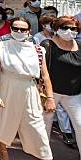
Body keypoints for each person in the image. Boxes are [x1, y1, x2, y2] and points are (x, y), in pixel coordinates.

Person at [0, 17, 55, 160]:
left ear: (29, 31)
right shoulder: (1, 46)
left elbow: (45, 76)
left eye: (23, 29)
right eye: (15, 28)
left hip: (29, 88)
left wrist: (50, 98)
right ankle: (3, 152)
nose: (19, 31)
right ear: (11, 29)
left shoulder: (39, 50)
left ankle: (45, 156)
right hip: (7, 87)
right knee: (4, 121)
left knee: (36, 124)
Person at [42, 15, 81, 157]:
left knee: (80, 125)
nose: (70, 31)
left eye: (74, 28)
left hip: (74, 94)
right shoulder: (47, 45)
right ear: (57, 29)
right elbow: (43, 73)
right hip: (51, 93)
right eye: (65, 28)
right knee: (44, 126)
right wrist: (49, 97)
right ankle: (44, 156)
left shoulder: (80, 46)